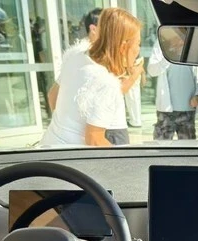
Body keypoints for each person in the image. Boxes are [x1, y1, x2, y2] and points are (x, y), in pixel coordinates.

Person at [40, 7, 141, 146]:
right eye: (137, 43)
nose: (138, 49)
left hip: (48, 146)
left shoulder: (75, 56)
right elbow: (94, 140)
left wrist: (66, 126)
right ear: (123, 47)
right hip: (71, 157)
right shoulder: (107, 83)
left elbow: (53, 96)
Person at [147, 41, 198, 141]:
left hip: (187, 110)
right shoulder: (161, 42)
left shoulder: (194, 41)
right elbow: (152, 71)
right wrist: (168, 57)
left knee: (187, 149)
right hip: (165, 111)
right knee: (161, 148)